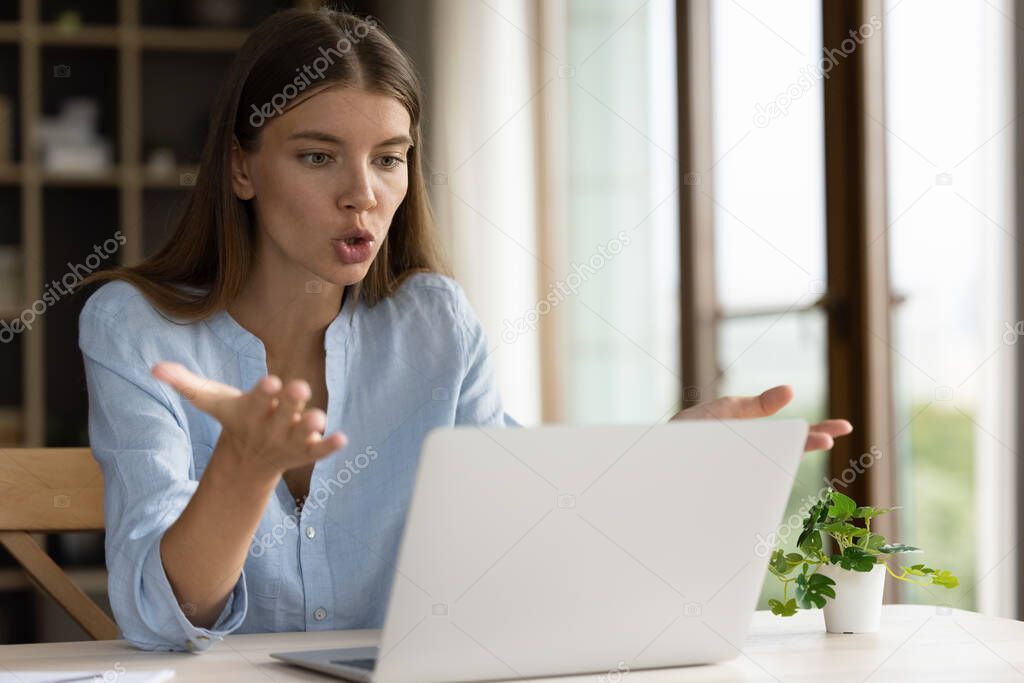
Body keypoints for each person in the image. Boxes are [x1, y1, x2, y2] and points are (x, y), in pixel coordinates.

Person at [78, 7, 852, 653]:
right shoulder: (134, 327)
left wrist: (670, 455)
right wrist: (242, 472)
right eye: (318, 157)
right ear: (242, 170)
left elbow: (516, 520)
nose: (362, 195)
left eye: (389, 159)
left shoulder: (434, 322)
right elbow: (157, 617)